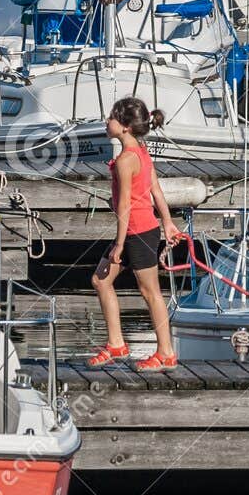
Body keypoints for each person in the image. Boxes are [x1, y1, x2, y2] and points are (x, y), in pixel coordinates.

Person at [88, 96, 184, 370]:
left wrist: (119, 245)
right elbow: (155, 190)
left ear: (126, 126)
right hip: (140, 230)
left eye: (112, 117)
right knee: (101, 281)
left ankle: (166, 352)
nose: (107, 121)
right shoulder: (140, 150)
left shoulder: (126, 159)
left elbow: (125, 204)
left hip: (138, 232)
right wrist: (167, 222)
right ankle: (116, 344)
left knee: (150, 291)